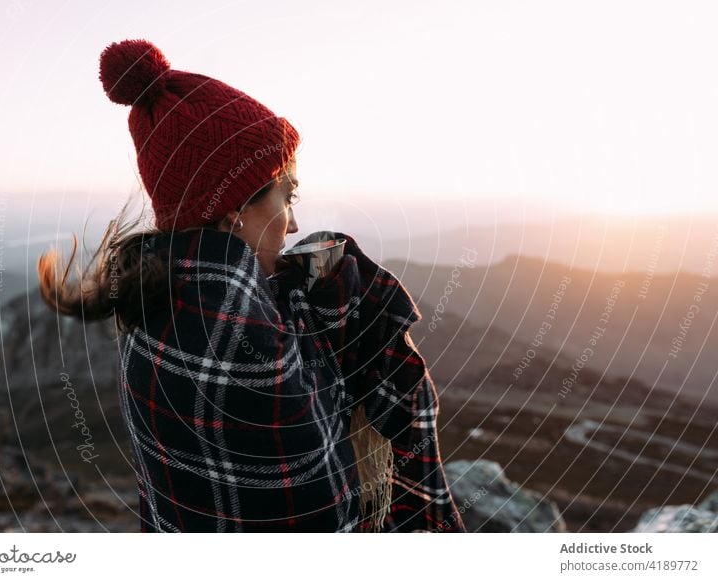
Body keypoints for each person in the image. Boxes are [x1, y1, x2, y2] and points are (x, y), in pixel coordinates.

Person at [37, 38, 466, 533]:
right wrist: (348, 320)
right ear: (236, 207)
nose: (293, 224)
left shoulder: (155, 302)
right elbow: (326, 511)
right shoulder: (245, 348)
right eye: (288, 195)